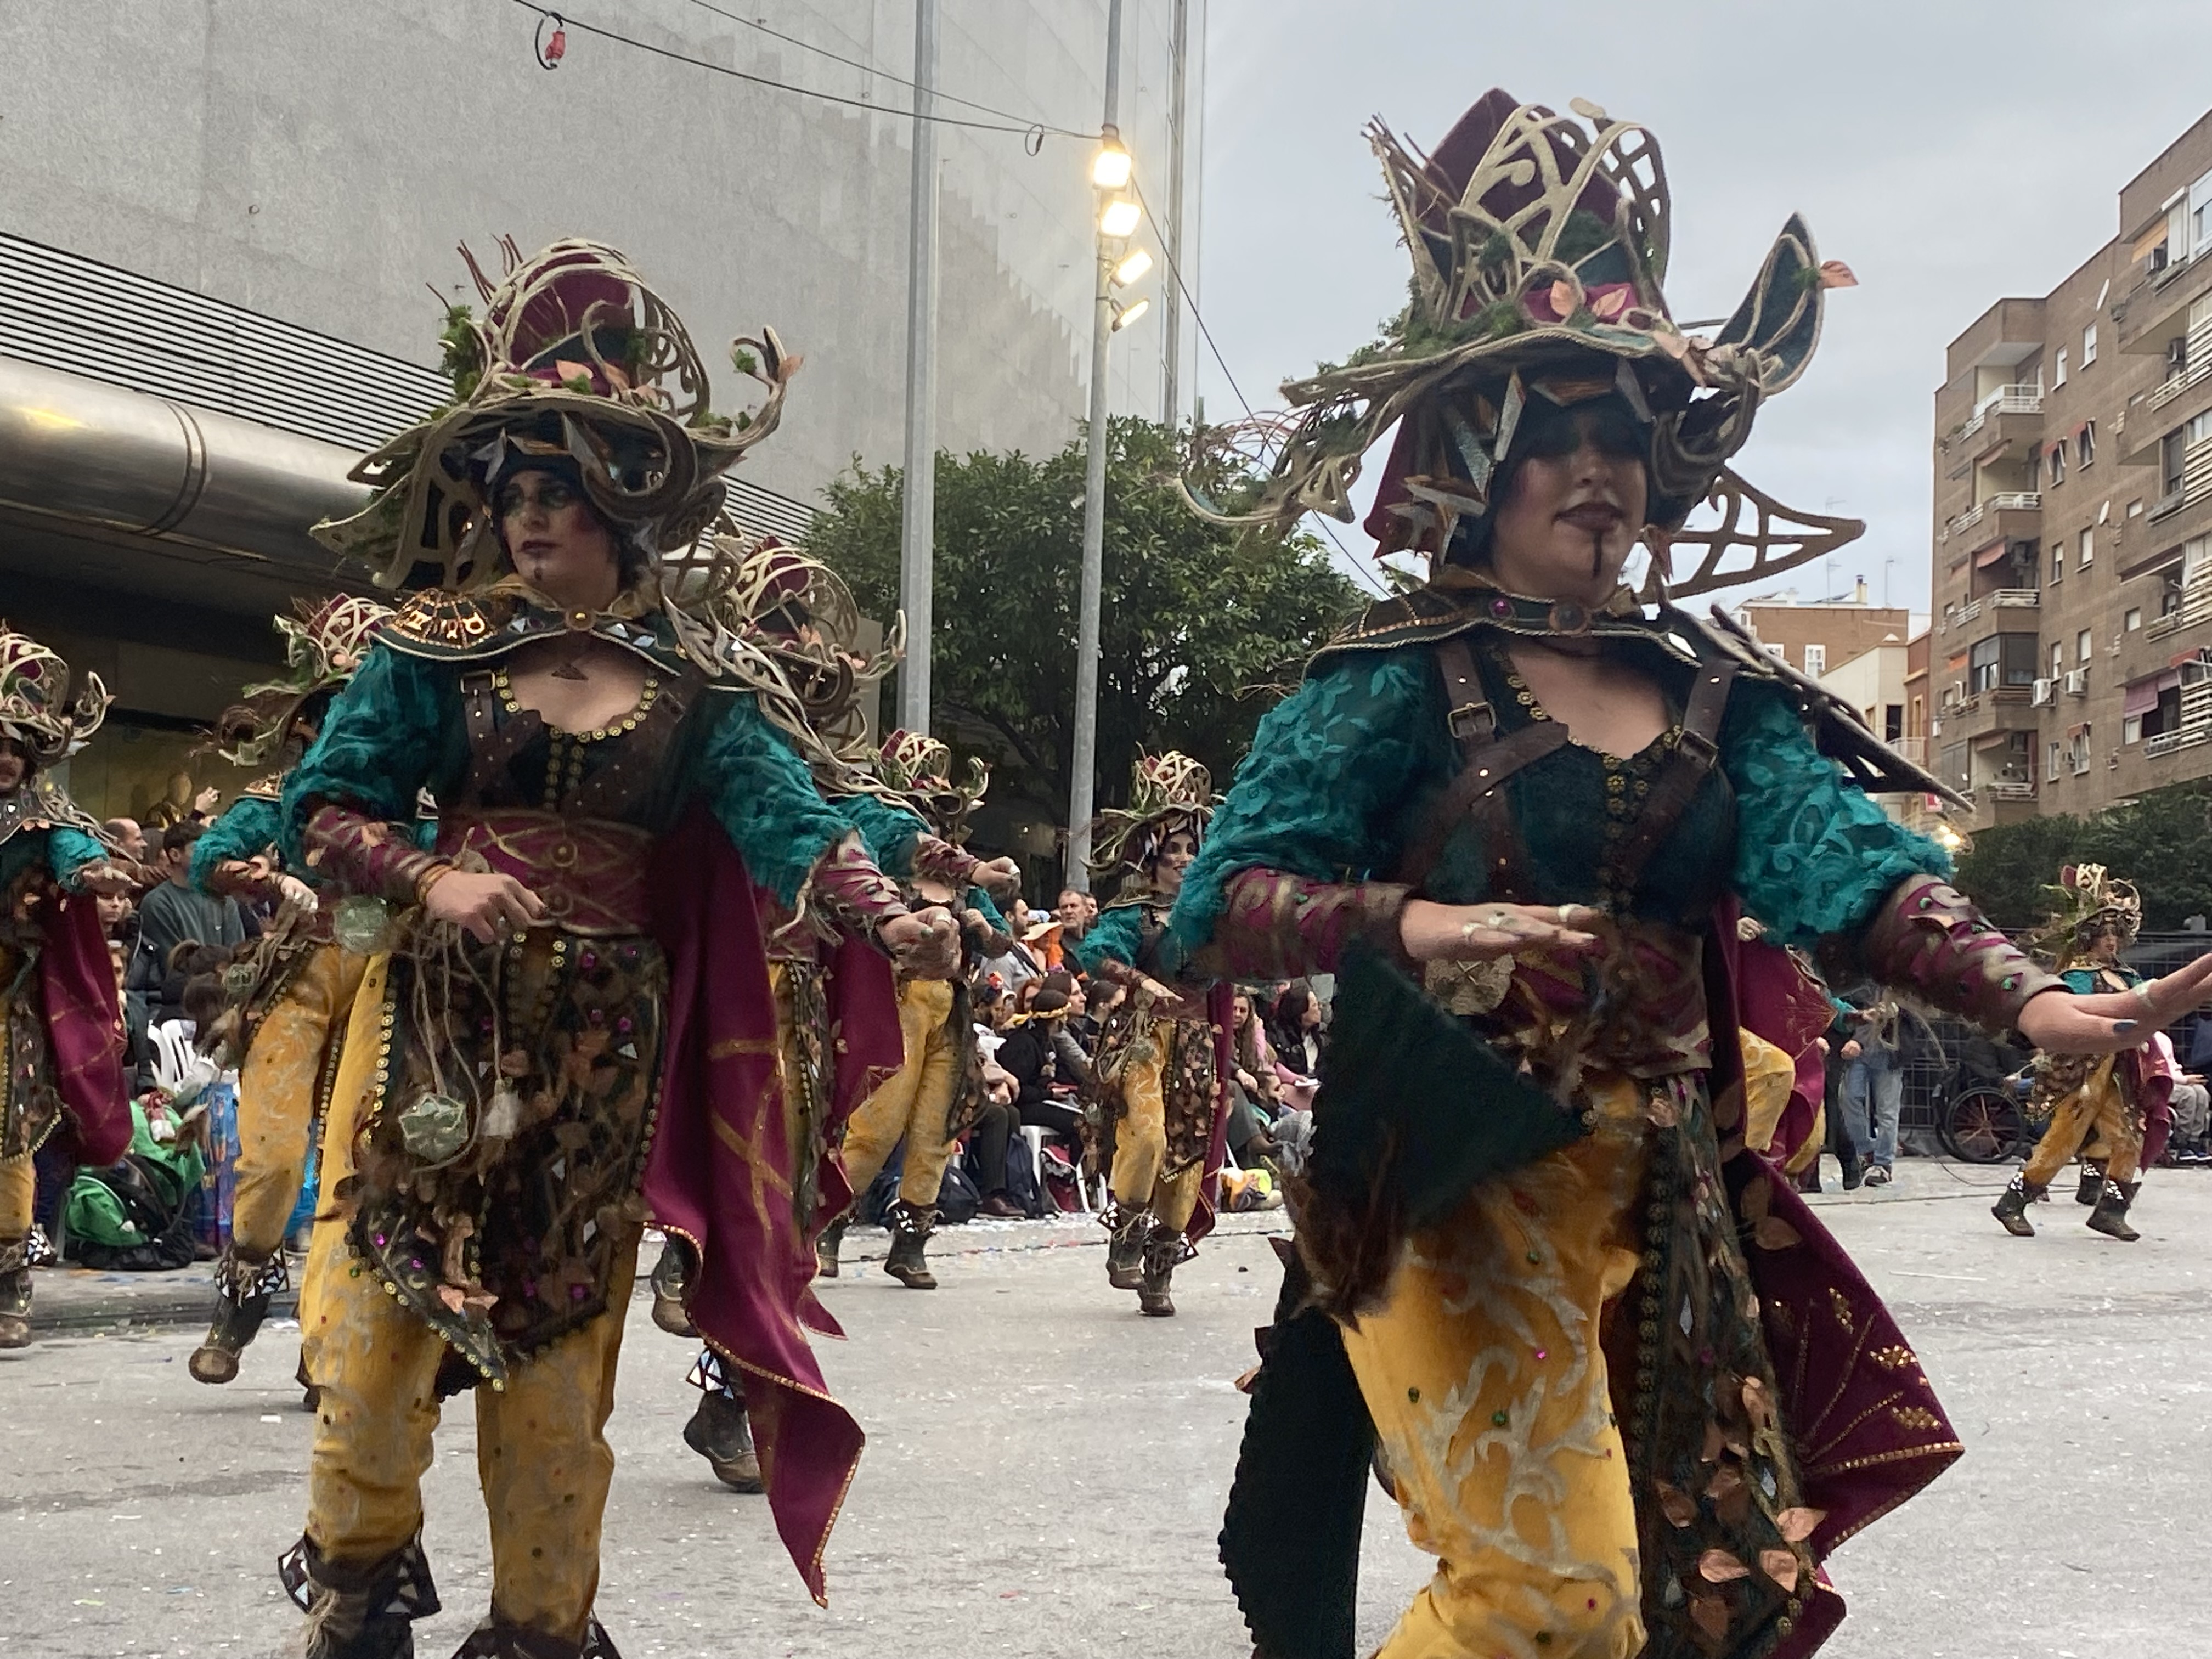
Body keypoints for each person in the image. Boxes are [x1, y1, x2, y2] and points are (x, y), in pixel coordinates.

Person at [1164, 91, 2212, 1659]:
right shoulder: (1393, 683)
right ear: (1483, 457)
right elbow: (1217, 909)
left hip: (1667, 1195)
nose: (1600, 476)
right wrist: (1412, 918)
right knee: (1554, 1602)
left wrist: (2037, 1000)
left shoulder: (1718, 695)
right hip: (1451, 1191)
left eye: (1627, 443)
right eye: (1559, 438)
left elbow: (1844, 864)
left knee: (1700, 1608)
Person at [272, 241, 956, 1657]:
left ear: (624, 504)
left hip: (598, 1077)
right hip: (430, 1050)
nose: (528, 517)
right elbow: (321, 809)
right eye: (512, 489)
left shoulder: (699, 690)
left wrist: (881, 907)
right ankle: (355, 1598)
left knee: (553, 1416)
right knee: (362, 1365)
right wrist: (431, 878)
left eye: (558, 490)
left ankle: (536, 1630)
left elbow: (789, 820)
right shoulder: (434, 653)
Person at [183, 595, 394, 1386]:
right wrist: (260, 875)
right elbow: (212, 857)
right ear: (308, 723)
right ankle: (236, 1306)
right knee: (273, 1162)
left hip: (386, 981)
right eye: (338, 710)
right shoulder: (281, 796)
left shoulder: (420, 803)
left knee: (359, 1166)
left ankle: (324, 1345)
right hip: (298, 979)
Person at [816, 730, 1021, 1285]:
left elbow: (1001, 937)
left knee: (935, 1129)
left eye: (937, 809)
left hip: (949, 1011)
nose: (928, 817)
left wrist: (986, 926)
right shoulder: (882, 864)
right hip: (895, 1002)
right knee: (876, 1123)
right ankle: (828, 1225)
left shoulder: (959, 882)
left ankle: (911, 1243)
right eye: (923, 804)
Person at [0, 624, 135, 1347]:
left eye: (11, 749)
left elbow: (74, 851)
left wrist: (93, 874)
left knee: (7, 1134)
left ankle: (10, 1285)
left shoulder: (42, 818)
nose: (0, 761)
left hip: (11, 1003)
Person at [1074, 752, 1233, 1317]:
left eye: (1192, 850)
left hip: (1195, 1041)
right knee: (1148, 1136)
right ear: (1151, 857)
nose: (1185, 861)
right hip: (1142, 1035)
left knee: (1188, 1152)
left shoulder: (1215, 913)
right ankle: (1127, 1230)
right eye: (1173, 852)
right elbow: (1096, 955)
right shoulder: (1132, 912)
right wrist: (1141, 981)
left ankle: (1161, 1267)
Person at [1993, 866, 2176, 1242]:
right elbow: (2072, 1012)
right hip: (2085, 1067)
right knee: (2064, 1138)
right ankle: (2013, 1200)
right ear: (2090, 939)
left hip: (2121, 1069)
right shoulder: (2077, 976)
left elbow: (2151, 1003)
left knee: (2128, 1137)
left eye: (2116, 934)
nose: (2111, 941)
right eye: (2104, 935)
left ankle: (2111, 1210)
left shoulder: (2127, 977)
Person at [129, 821, 247, 1000]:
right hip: (183, 1005)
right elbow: (173, 967)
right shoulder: (158, 903)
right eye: (199, 849)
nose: (208, 856)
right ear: (175, 855)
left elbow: (238, 956)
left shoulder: (224, 899)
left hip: (228, 1000)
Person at [1836, 992, 1905, 1186]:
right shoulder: (1862, 981)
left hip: (1889, 1052)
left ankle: (1883, 1164)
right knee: (1849, 1099)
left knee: (1887, 1111)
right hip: (1860, 1051)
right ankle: (1867, 1153)